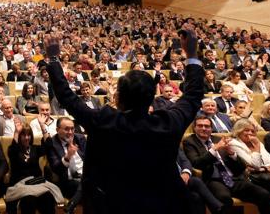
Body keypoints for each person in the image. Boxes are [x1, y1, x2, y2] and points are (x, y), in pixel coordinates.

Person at [44, 28, 204, 214]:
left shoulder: (103, 120)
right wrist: (191, 54)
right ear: (152, 97)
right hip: (161, 205)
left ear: (118, 98)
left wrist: (54, 59)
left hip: (112, 205)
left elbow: (66, 96)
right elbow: (193, 95)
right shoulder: (169, 122)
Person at [183, 116, 270, 214]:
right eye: (200, 126)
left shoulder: (218, 139)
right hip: (214, 180)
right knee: (224, 199)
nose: (204, 128)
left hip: (235, 178)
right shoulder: (189, 141)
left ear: (211, 128)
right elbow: (197, 163)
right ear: (194, 128)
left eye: (207, 126)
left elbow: (241, 167)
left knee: (264, 194)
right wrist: (214, 149)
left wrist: (232, 154)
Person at [5, 121, 61, 214]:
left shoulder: (35, 149)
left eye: (29, 135)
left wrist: (43, 126)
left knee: (47, 197)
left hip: (36, 183)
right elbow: (12, 150)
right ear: (19, 136)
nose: (27, 138)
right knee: (29, 199)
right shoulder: (14, 150)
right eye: (23, 135)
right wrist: (16, 132)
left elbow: (49, 146)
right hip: (20, 184)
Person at [44, 117, 85, 214]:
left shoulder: (80, 138)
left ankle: (71, 205)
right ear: (57, 130)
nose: (70, 132)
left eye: (72, 129)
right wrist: (67, 157)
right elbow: (56, 169)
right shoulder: (52, 144)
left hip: (85, 177)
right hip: (68, 182)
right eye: (66, 129)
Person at [176, 148, 223, 214]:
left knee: (196, 197)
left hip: (184, 180)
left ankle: (218, 207)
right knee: (196, 181)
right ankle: (218, 208)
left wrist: (186, 172)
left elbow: (185, 161)